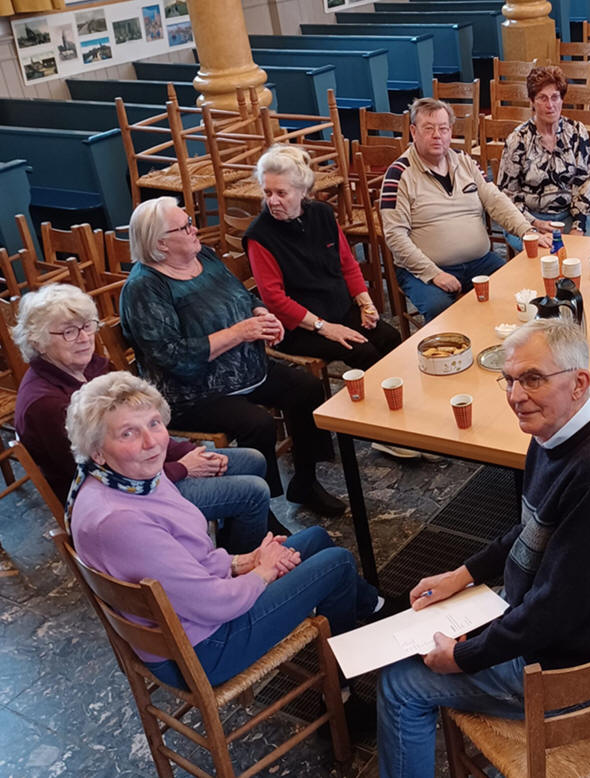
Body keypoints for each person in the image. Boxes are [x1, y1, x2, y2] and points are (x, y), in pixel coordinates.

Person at [376, 318, 590, 777]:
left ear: (579, 383)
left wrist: (462, 657)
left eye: (533, 379)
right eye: (509, 380)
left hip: (571, 669)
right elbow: (534, 528)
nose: (515, 396)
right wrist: (464, 574)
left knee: (400, 683)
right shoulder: (554, 434)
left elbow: (554, 611)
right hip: (572, 631)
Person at [65, 371, 384, 701]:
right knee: (337, 563)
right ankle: (342, 693)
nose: (151, 442)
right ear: (97, 451)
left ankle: (373, 607)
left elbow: (188, 560)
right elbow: (214, 604)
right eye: (128, 433)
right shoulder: (120, 520)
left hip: (190, 620)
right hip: (203, 650)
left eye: (154, 424)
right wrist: (263, 571)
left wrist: (242, 561)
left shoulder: (122, 480)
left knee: (315, 539)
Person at [12, 283, 279, 553]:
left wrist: (188, 452)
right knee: (253, 492)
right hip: (123, 499)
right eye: (68, 332)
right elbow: (98, 474)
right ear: (38, 342)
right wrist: (185, 467)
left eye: (87, 325)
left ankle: (230, 549)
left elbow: (143, 426)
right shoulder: (45, 405)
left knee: (252, 460)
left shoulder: (92, 367)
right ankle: (238, 574)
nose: (83, 338)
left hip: (142, 467)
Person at [119, 197, 344, 515]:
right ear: (160, 243)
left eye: (190, 221)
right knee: (257, 423)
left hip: (247, 370)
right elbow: (173, 356)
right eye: (185, 227)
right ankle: (257, 510)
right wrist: (241, 332)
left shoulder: (205, 257)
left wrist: (262, 314)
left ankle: (305, 482)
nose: (194, 229)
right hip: (192, 393)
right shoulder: (145, 288)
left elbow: (243, 295)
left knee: (306, 388)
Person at [380, 97, 548, 321]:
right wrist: (434, 274)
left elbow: (495, 200)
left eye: (443, 128)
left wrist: (527, 231)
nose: (437, 135)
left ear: (451, 131)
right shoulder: (398, 174)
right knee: (441, 309)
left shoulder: (465, 161)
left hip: (479, 260)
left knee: (516, 289)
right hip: (426, 269)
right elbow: (395, 237)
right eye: (428, 128)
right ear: (413, 131)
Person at [245, 144, 401, 369]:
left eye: (281, 193)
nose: (272, 201)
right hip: (297, 326)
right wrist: (325, 327)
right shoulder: (259, 237)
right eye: (267, 192)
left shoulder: (322, 213)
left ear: (303, 192)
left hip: (338, 308)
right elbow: (274, 300)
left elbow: (347, 264)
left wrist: (366, 304)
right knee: (363, 352)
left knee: (391, 338)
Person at [496, 65, 590, 251]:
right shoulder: (518, 140)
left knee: (584, 251)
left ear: (561, 99)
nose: (550, 105)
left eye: (555, 97)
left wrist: (578, 228)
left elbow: (584, 184)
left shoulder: (577, 132)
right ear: (532, 102)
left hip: (569, 215)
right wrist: (533, 223)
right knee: (545, 254)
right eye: (543, 98)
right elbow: (507, 196)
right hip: (527, 219)